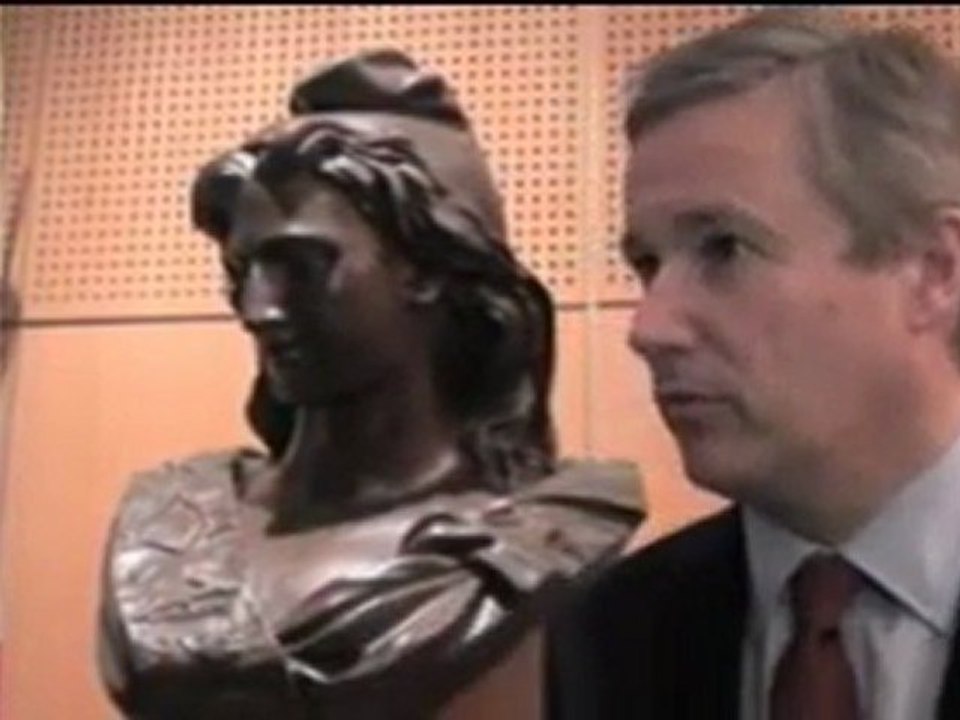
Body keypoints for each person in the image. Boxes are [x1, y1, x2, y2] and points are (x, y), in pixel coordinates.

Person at [96, 49, 642, 719]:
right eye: (242, 271)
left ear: (429, 268)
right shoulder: (171, 520)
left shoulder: (544, 534)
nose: (257, 309)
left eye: (301, 266)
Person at [546, 8, 960, 720]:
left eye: (724, 248)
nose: (649, 328)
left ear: (934, 272)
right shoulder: (604, 635)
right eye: (647, 262)